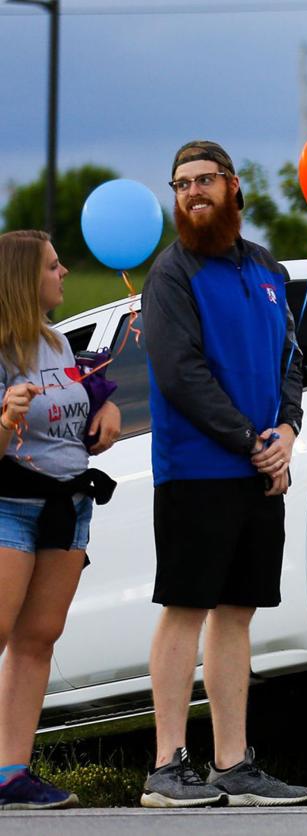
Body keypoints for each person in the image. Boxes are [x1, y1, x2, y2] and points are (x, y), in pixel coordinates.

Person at [140, 141, 307, 808]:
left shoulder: (266, 268)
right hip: (197, 469)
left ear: (233, 186)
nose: (192, 192)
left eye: (204, 179)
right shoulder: (171, 275)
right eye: (181, 184)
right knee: (186, 607)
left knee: (237, 612)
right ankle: (166, 765)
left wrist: (288, 430)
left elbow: (291, 358)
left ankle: (233, 764)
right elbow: (180, 373)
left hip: (261, 470)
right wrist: (251, 442)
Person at [0, 230, 120, 810]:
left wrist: (105, 414)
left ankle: (12, 773)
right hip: (11, 508)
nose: (65, 271)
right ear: (26, 278)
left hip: (70, 509)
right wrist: (5, 420)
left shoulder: (58, 343)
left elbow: (76, 418)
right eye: (53, 265)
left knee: (38, 638)